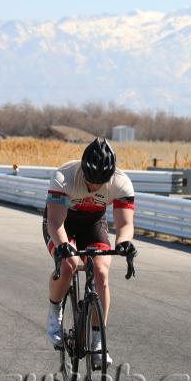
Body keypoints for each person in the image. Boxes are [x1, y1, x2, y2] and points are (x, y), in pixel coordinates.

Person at [43, 138, 137, 366]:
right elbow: (55, 222)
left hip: (93, 224)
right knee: (69, 264)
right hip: (62, 224)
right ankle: (55, 311)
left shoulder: (121, 183)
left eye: (100, 182)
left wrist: (124, 242)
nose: (94, 187)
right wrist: (64, 247)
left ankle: (97, 342)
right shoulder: (64, 176)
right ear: (82, 170)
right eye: (89, 181)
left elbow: (125, 225)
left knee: (102, 274)